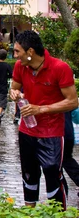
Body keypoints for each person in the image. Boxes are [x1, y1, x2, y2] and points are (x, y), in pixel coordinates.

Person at [9, 30, 78, 210]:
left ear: (30, 52)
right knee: (29, 175)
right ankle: (28, 213)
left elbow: (72, 102)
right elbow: (14, 88)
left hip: (52, 133)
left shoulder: (60, 68)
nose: (15, 56)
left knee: (52, 175)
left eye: (18, 52)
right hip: (26, 130)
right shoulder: (20, 66)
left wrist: (41, 109)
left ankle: (58, 214)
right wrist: (14, 93)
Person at [62, 108, 79, 196]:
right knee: (67, 160)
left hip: (57, 133)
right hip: (68, 132)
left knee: (54, 166)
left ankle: (59, 198)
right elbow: (76, 116)